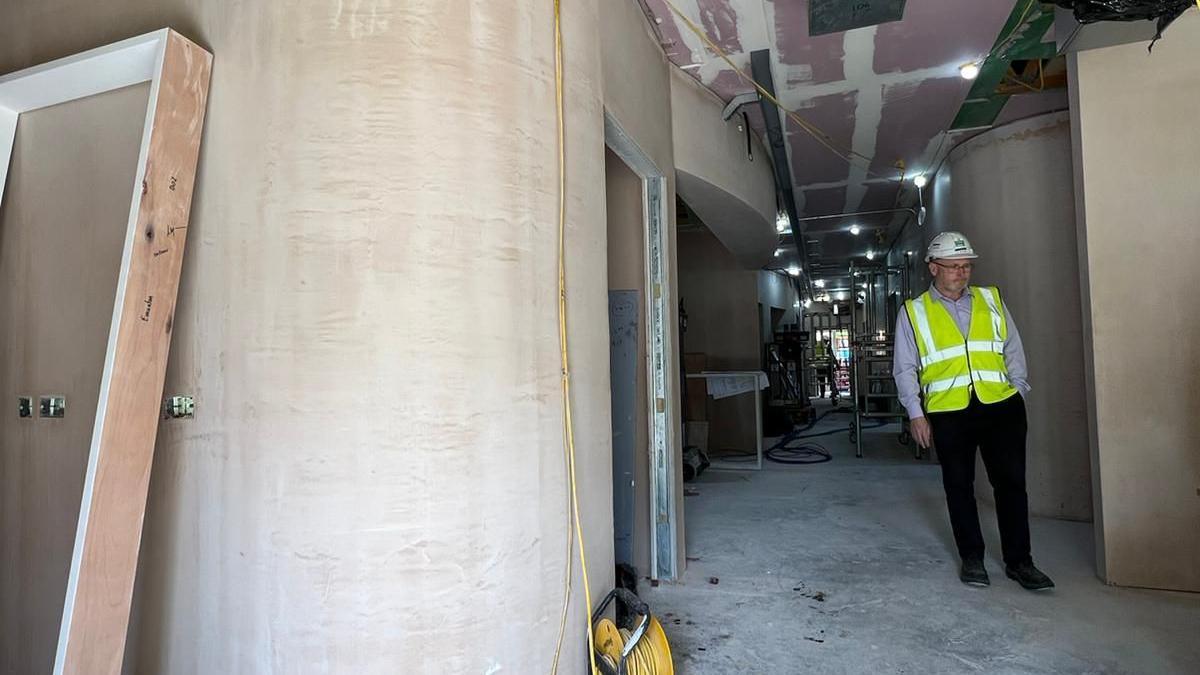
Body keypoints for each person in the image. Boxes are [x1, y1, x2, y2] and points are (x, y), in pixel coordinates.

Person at [892, 231, 1054, 591]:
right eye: (954, 267)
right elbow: (904, 368)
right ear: (933, 267)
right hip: (949, 411)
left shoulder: (991, 299)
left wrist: (1019, 390)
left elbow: (1013, 347)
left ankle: (1020, 562)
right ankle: (972, 559)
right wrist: (915, 413)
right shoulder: (914, 312)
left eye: (966, 266)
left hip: (1001, 407)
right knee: (959, 487)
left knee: (1011, 485)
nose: (962, 273)